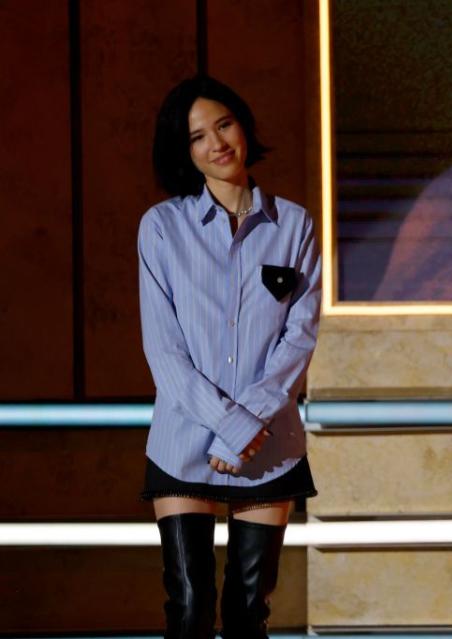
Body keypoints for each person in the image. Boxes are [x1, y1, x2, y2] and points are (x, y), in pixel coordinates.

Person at [138, 75, 321, 638]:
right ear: (184, 151)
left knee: (248, 613)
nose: (215, 143)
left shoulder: (294, 225)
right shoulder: (162, 228)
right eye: (197, 136)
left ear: (243, 127)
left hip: (270, 445)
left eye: (223, 124)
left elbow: (299, 340)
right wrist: (227, 424)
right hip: (183, 441)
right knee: (189, 608)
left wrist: (246, 425)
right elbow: (164, 350)